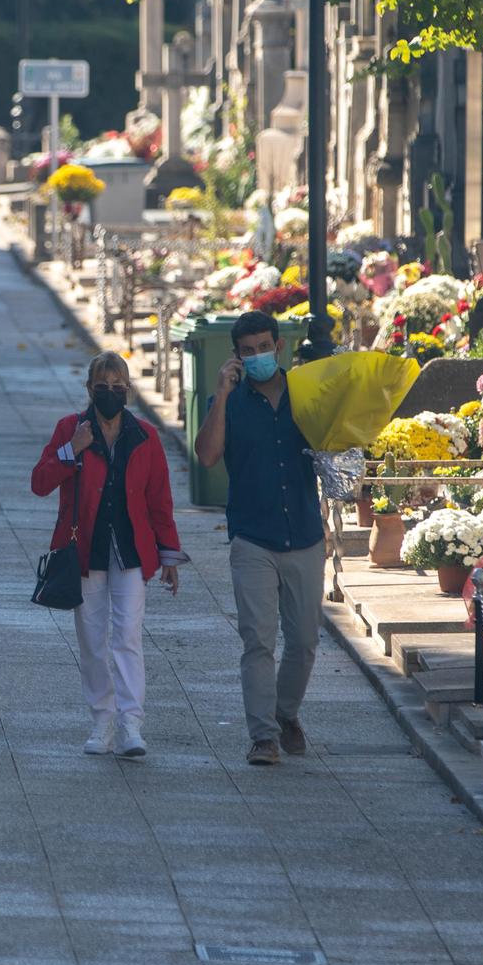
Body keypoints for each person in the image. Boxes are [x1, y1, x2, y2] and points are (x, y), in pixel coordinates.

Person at [31, 352, 186, 759]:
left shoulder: (146, 436)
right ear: (89, 390)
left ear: (129, 391)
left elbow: (159, 499)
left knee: (128, 637)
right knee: (92, 640)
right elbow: (40, 482)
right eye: (103, 388)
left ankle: (131, 724)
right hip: (86, 550)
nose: (111, 394)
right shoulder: (71, 428)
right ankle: (102, 722)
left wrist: (169, 555)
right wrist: (71, 450)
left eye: (119, 388)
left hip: (131, 551)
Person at [191, 310, 324, 766]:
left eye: (263, 347)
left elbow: (337, 439)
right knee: (258, 641)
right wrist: (223, 397)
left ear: (278, 347)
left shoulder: (306, 393)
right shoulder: (228, 401)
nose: (257, 357)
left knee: (305, 641)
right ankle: (263, 736)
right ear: (236, 356)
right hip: (252, 537)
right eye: (247, 352)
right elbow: (207, 456)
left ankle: (285, 714)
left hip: (305, 533)